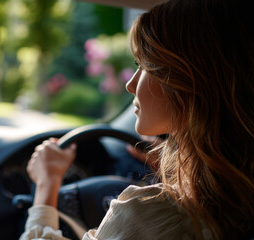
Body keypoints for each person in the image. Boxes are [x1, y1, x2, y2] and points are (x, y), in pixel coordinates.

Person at [20, 0, 254, 239]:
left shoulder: (148, 215)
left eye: (144, 65)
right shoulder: (238, 203)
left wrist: (47, 184)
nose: (130, 84)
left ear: (189, 83)